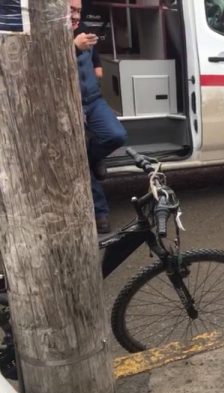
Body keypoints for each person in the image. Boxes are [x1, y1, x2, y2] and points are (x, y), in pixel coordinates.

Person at [71, 0, 127, 234]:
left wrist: (96, 62)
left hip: (93, 100)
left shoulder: (82, 27)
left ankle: (92, 158)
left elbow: (91, 48)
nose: (76, 16)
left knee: (116, 136)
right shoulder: (47, 34)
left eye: (79, 11)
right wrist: (73, 47)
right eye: (71, 11)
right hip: (69, 104)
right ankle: (100, 211)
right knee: (77, 158)